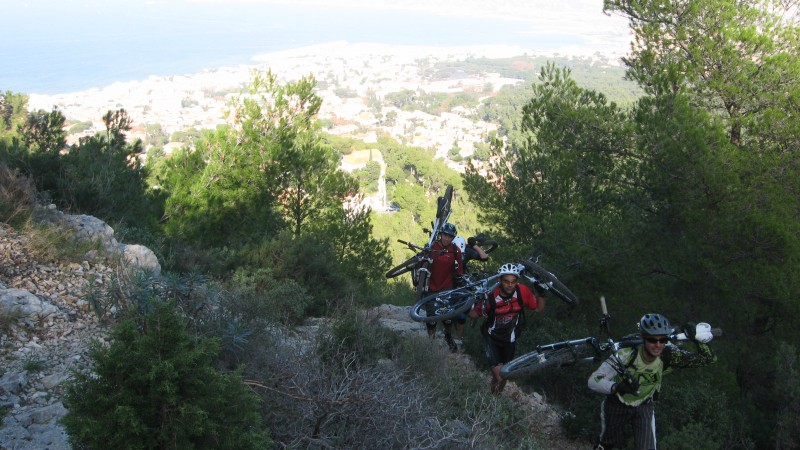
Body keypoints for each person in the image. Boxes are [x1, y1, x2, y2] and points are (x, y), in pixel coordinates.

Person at [587, 314, 717, 450]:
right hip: (616, 403)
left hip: (644, 406)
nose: (658, 345)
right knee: (607, 445)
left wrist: (697, 339)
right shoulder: (627, 354)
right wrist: (616, 387)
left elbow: (707, 358)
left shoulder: (669, 355)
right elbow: (593, 380)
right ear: (643, 338)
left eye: (662, 340)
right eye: (652, 340)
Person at [469, 263, 545, 394]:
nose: (510, 285)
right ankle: (492, 400)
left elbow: (538, 308)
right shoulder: (491, 295)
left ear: (517, 281)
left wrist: (542, 293)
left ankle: (494, 398)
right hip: (491, 338)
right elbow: (474, 314)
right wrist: (466, 304)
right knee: (500, 375)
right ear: (499, 280)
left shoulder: (522, 291)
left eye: (513, 281)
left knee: (504, 375)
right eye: (506, 281)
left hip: (510, 340)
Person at [424, 222, 463, 352]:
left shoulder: (455, 250)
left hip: (447, 286)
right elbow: (422, 265)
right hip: (431, 286)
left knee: (447, 316)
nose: (447, 238)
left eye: (450, 236)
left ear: (453, 238)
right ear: (441, 234)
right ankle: (431, 342)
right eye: (445, 235)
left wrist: (459, 281)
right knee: (432, 317)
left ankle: (448, 336)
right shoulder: (432, 247)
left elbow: (459, 270)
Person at [451, 234, 489, 346]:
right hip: (447, 282)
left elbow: (484, 257)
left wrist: (474, 246)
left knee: (463, 311)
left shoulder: (467, 251)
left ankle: (458, 335)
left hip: (462, 281)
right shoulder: (446, 251)